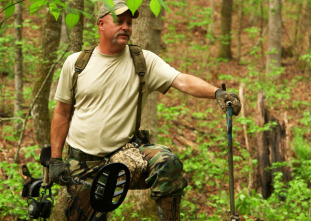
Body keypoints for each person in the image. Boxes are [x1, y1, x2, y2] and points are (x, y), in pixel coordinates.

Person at [49, 1, 241, 220]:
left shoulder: (142, 60)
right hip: (84, 163)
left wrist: (216, 93)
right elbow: (62, 112)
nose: (126, 27)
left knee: (165, 162)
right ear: (101, 24)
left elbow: (181, 81)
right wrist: (55, 160)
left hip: (123, 156)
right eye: (119, 21)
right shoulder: (76, 63)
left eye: (129, 23)